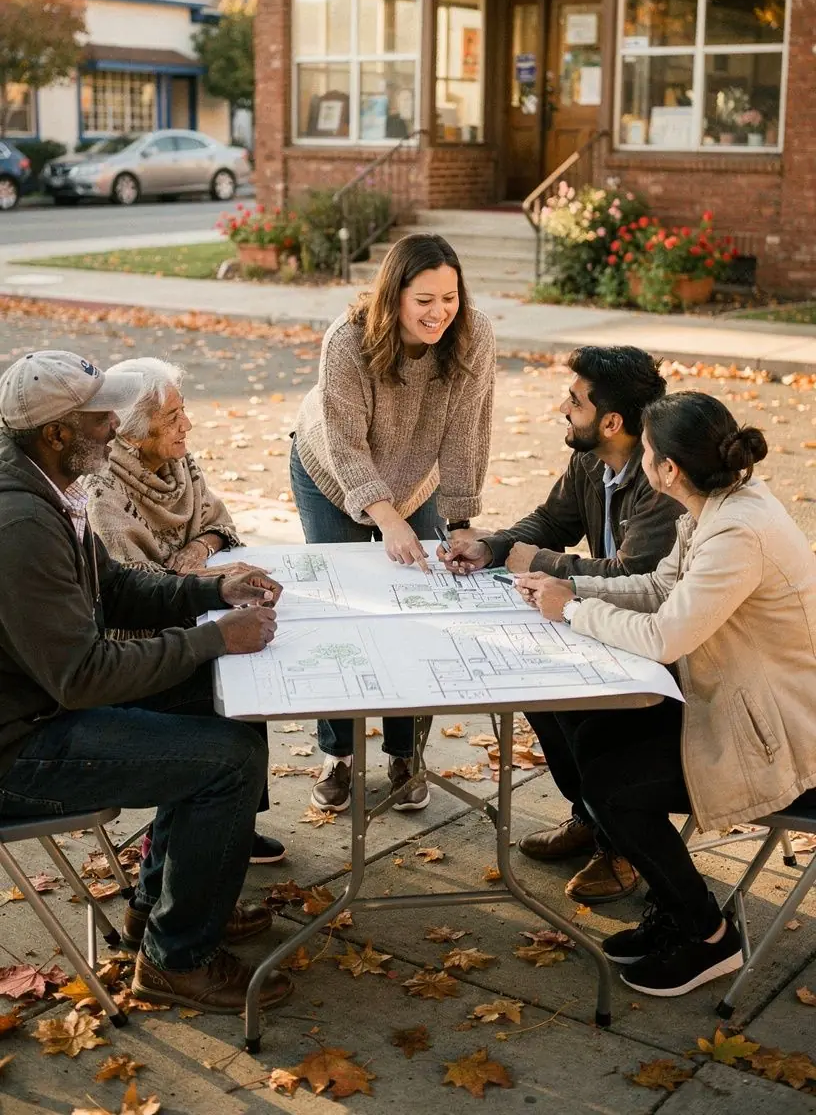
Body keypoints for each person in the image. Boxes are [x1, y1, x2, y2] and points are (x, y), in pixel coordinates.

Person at [0, 349, 292, 1015]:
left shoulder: (48, 485)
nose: (116, 429)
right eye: (104, 419)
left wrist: (211, 591)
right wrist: (213, 634)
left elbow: (119, 588)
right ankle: (176, 960)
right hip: (20, 747)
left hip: (43, 704)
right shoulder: (20, 524)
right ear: (56, 432)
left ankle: (161, 909)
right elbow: (83, 675)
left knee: (225, 703)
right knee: (228, 759)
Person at [515, 390, 816, 998]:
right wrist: (568, 585)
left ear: (667, 469)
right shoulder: (715, 508)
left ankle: (706, 935)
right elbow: (660, 588)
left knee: (612, 786)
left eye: (647, 451)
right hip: (736, 706)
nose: (641, 459)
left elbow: (664, 635)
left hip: (780, 738)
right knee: (597, 733)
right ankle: (677, 911)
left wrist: (574, 609)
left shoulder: (737, 534)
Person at [439, 346, 681, 903]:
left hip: (658, 637)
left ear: (612, 421)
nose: (562, 408)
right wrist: (493, 545)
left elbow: (637, 576)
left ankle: (619, 841)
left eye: (574, 401)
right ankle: (592, 817)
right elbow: (553, 521)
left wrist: (538, 562)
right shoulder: (590, 459)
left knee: (584, 714)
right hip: (598, 617)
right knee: (540, 690)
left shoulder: (660, 477)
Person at [291, 233, 495, 815]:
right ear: (395, 295)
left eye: (449, 298)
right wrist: (386, 519)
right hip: (330, 470)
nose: (439, 313)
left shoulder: (472, 336)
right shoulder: (348, 340)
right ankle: (339, 753)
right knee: (347, 609)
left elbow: (466, 433)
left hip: (417, 478)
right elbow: (345, 444)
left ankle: (405, 753)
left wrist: (460, 522)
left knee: (417, 606)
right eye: (424, 299)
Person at [82, 356, 284, 864]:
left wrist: (199, 554)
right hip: (135, 647)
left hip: (184, 607)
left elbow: (216, 520)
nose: (186, 425)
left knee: (246, 683)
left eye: (183, 410)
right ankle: (188, 851)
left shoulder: (175, 464)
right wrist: (203, 582)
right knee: (227, 699)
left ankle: (231, 826)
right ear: (130, 434)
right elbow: (127, 593)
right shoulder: (101, 493)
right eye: (171, 418)